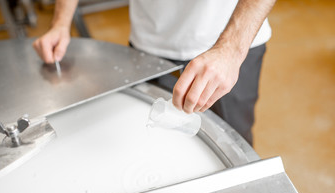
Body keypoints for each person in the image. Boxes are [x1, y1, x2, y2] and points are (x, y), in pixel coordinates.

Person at [33, 0, 276, 145]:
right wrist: (60, 23)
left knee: (232, 141)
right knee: (159, 143)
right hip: (151, 43)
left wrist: (231, 49)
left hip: (234, 43)